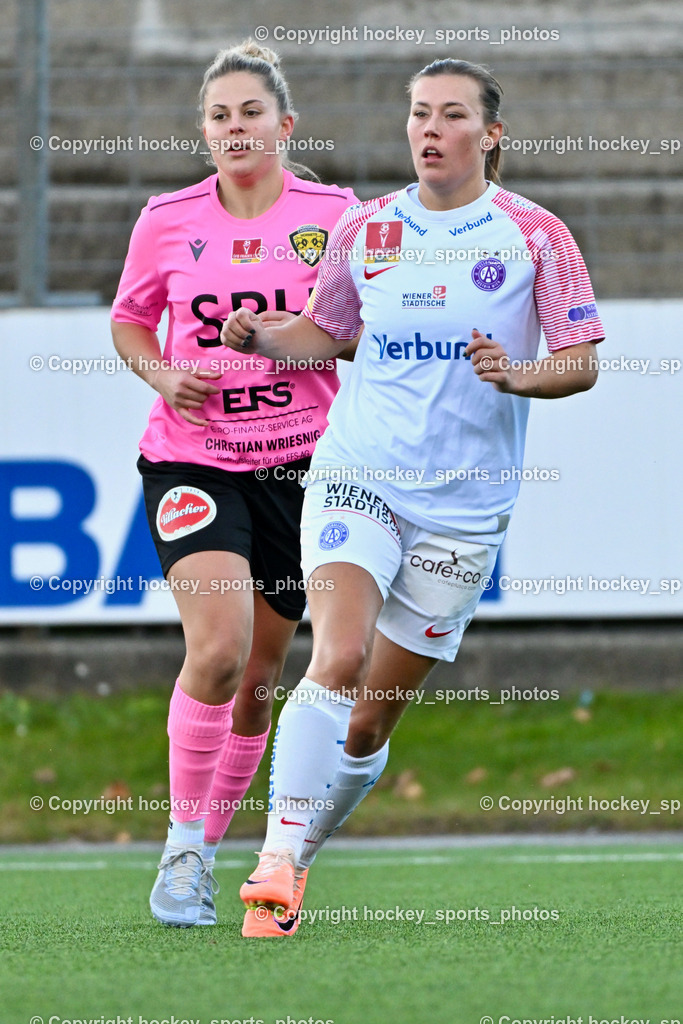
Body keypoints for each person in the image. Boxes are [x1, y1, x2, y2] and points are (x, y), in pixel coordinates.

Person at [221, 57, 603, 937]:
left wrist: (521, 374)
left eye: (451, 115)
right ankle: (273, 860)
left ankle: (298, 852)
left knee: (365, 724)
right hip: (360, 471)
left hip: (463, 509)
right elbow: (331, 332)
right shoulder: (368, 230)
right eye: (418, 114)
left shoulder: (535, 235)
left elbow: (579, 361)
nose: (430, 130)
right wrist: (267, 339)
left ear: (490, 134)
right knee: (339, 653)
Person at [110, 40, 357, 932]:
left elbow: (364, 334)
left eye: (251, 112)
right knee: (216, 650)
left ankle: (210, 853)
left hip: (302, 465)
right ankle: (180, 848)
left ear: (284, 126)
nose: (235, 127)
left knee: (260, 674)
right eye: (219, 116)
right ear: (205, 133)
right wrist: (162, 377)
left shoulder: (335, 214)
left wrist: (286, 336)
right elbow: (132, 319)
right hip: (193, 459)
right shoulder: (166, 218)